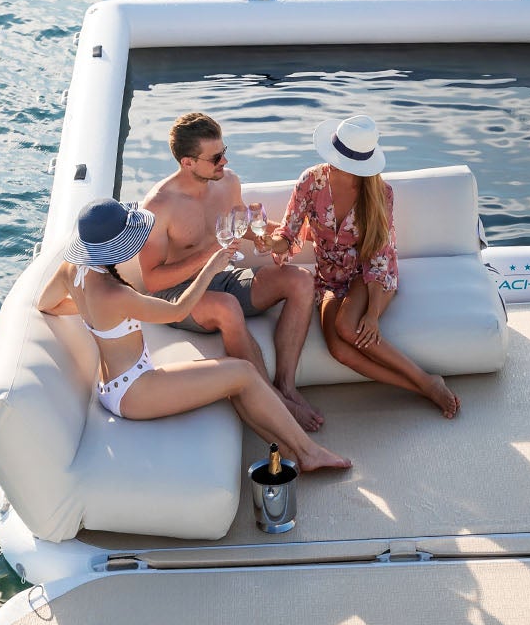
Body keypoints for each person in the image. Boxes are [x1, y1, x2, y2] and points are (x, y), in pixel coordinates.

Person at [35, 199, 350, 472]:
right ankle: (308, 453)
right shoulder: (115, 294)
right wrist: (210, 269)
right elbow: (176, 310)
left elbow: (45, 304)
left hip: (114, 385)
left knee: (237, 379)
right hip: (135, 391)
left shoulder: (71, 271)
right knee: (243, 372)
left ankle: (291, 449)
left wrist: (92, 313)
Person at [136, 111, 323, 431]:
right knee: (226, 306)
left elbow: (240, 227)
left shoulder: (228, 181)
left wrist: (278, 236)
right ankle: (275, 403)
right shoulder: (158, 206)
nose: (224, 161)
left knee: (300, 280)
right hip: (179, 293)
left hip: (224, 277)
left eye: (225, 152)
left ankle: (286, 386)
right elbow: (151, 280)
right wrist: (208, 257)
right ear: (188, 162)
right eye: (216, 157)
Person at [272, 114, 460, 419]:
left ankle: (426, 380)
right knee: (340, 350)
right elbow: (288, 233)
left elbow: (379, 256)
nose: (330, 162)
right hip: (328, 279)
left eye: (340, 158)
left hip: (369, 275)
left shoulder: (380, 194)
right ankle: (425, 385)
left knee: (348, 326)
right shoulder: (311, 181)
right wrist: (270, 244)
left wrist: (372, 314)